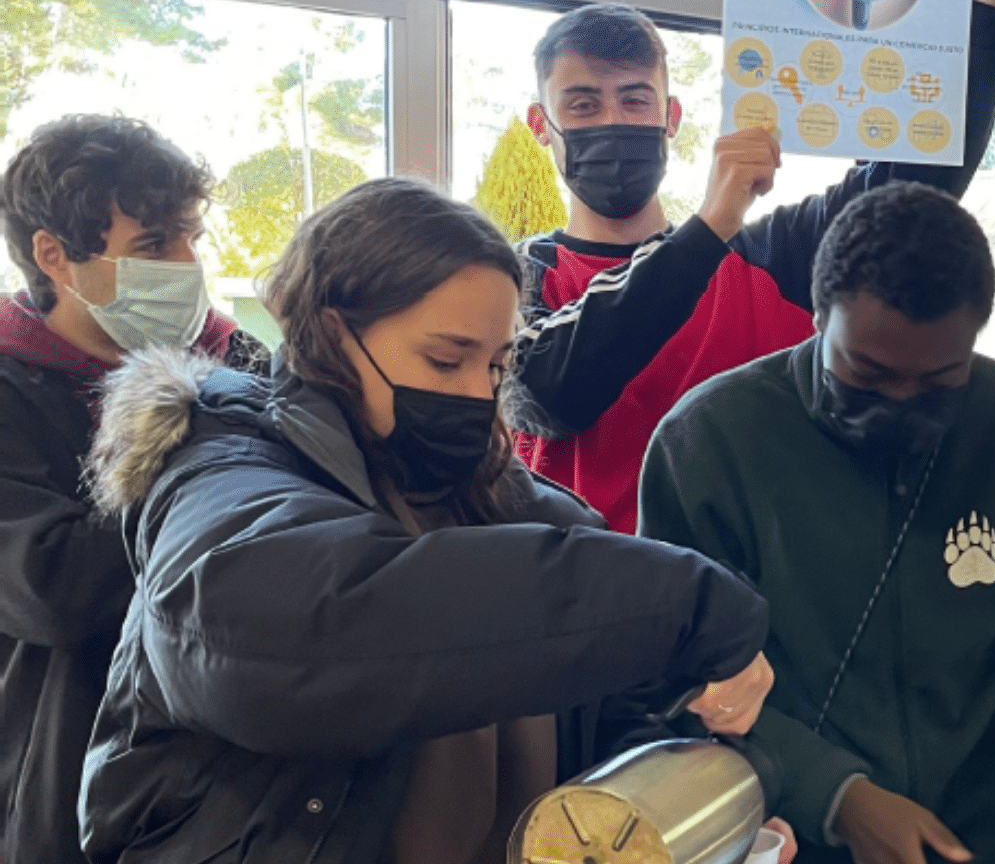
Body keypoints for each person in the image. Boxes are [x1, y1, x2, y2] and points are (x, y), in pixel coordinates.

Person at [78, 178, 775, 863]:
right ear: (333, 334)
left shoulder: (496, 497)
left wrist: (689, 799)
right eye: (446, 361)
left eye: (497, 365)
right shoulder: (222, 469)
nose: (478, 395)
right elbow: (272, 632)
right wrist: (685, 604)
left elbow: (609, 693)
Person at [513, 0, 995, 533]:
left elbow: (917, 175)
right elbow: (552, 393)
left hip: (750, 598)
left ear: (670, 117)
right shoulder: (518, 278)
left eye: (635, 99)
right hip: (597, 596)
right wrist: (708, 226)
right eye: (583, 104)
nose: (614, 120)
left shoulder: (766, 260)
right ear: (541, 125)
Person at [641, 181, 995, 864]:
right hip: (788, 842)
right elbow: (685, 678)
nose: (901, 398)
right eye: (868, 372)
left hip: (988, 844)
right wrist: (837, 797)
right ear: (818, 316)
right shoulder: (708, 443)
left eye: (939, 380)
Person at [0, 115, 270, 864]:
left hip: (233, 778)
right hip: (69, 771)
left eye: (190, 239)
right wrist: (211, 486)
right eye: (153, 246)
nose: (185, 265)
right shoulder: (10, 392)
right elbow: (50, 589)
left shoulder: (239, 360)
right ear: (54, 255)